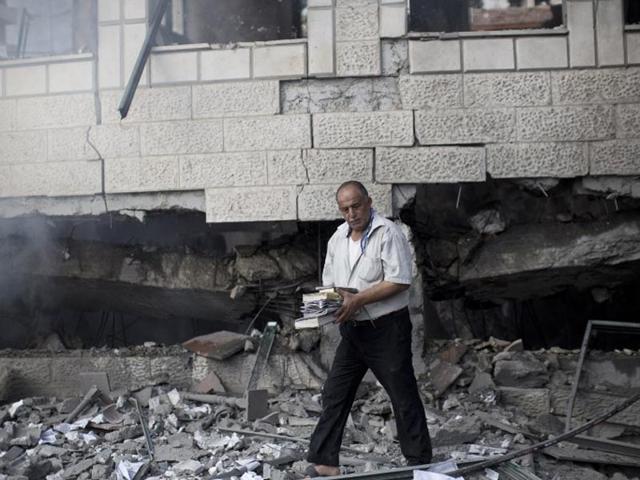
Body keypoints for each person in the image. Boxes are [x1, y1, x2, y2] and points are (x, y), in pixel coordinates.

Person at [305, 181, 432, 477]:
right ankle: (325, 461)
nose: (351, 213)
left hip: (386, 328)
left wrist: (359, 298)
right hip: (353, 330)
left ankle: (419, 462)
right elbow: (329, 282)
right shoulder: (337, 238)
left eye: (356, 205)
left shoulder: (388, 232)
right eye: (345, 208)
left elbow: (400, 280)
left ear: (369, 202)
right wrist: (328, 304)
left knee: (402, 394)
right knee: (335, 392)